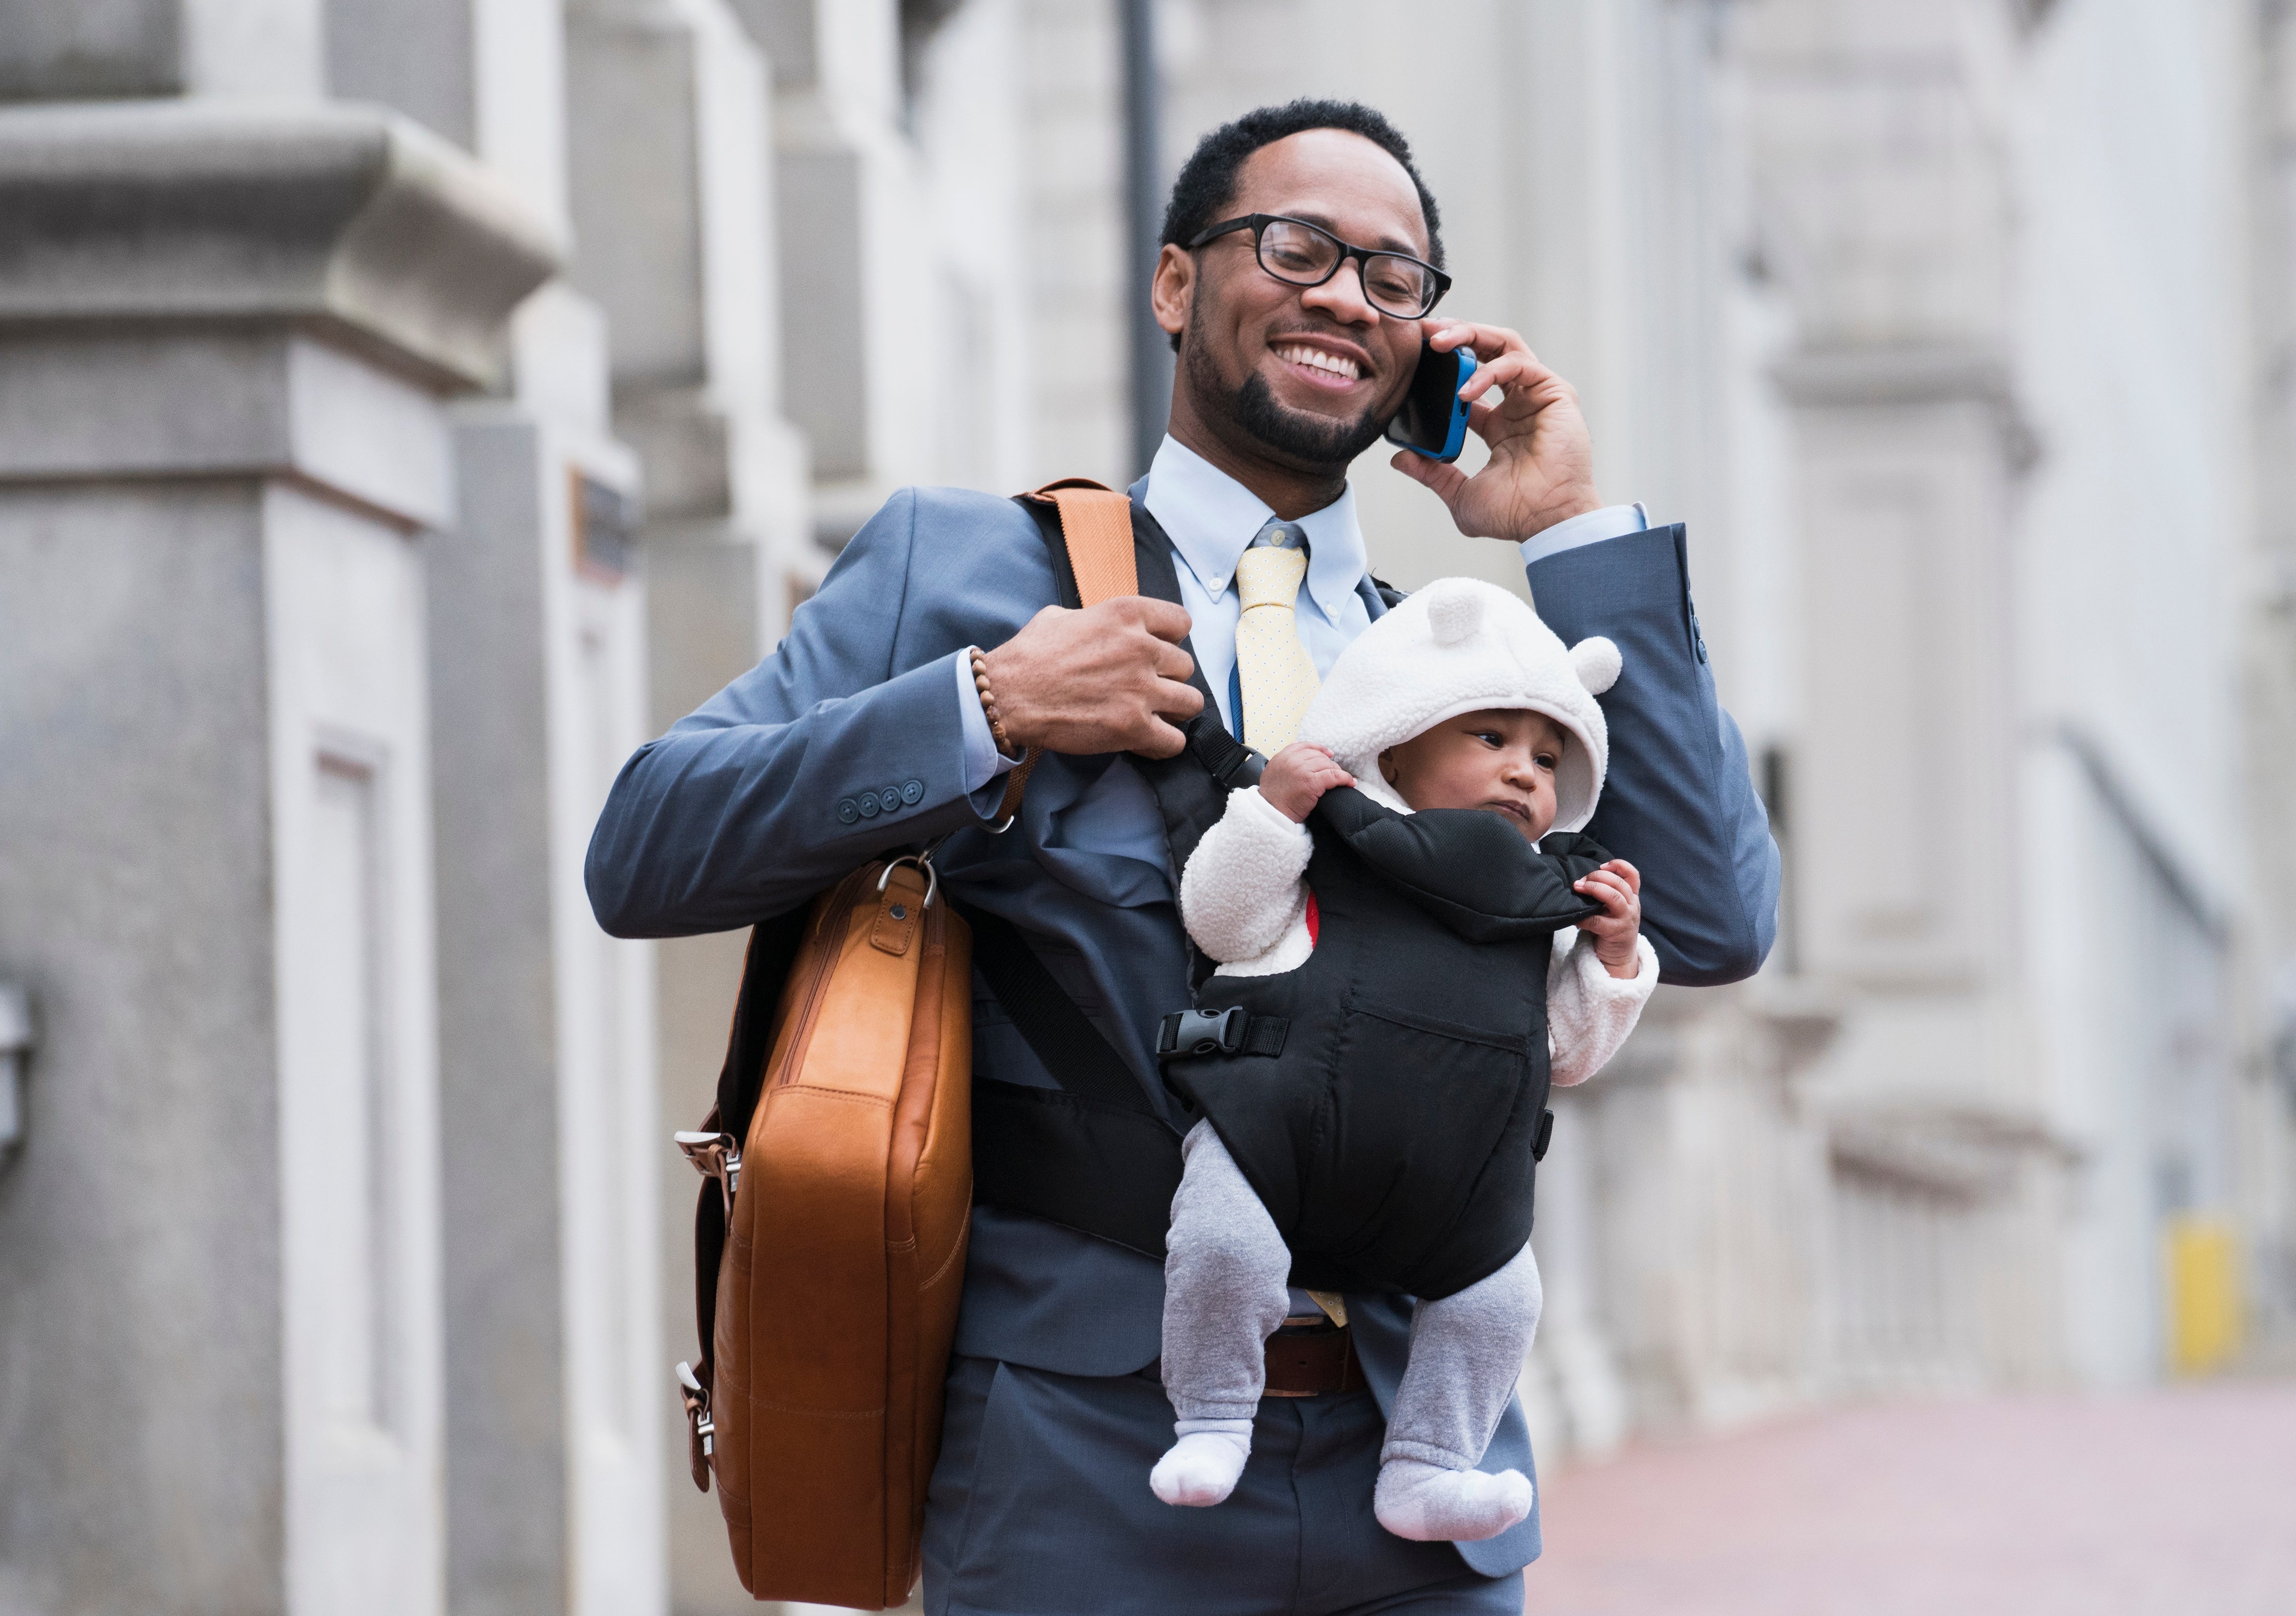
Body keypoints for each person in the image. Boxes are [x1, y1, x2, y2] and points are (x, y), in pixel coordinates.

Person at [588, 97, 1777, 1614]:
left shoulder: (1465, 668)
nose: (1346, 292)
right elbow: (645, 847)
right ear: (1173, 285)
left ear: (1425, 348)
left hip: (1423, 1473)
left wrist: (1569, 530)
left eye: (1394, 277)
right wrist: (987, 702)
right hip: (1078, 1473)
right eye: (1296, 247)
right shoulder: (969, 571)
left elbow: (1714, 916)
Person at [1153, 579, 1659, 1545]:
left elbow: (1569, 1054)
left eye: (1548, 757)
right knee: (1219, 1244)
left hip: (1453, 1192)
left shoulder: (1548, 900)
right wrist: (1268, 813)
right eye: (1491, 739)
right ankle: (1213, 1416)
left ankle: (1431, 1460)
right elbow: (1219, 921)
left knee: (1504, 1297)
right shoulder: (1328, 844)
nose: (1524, 772)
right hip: (1281, 1142)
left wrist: (1614, 958)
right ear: (1395, 737)